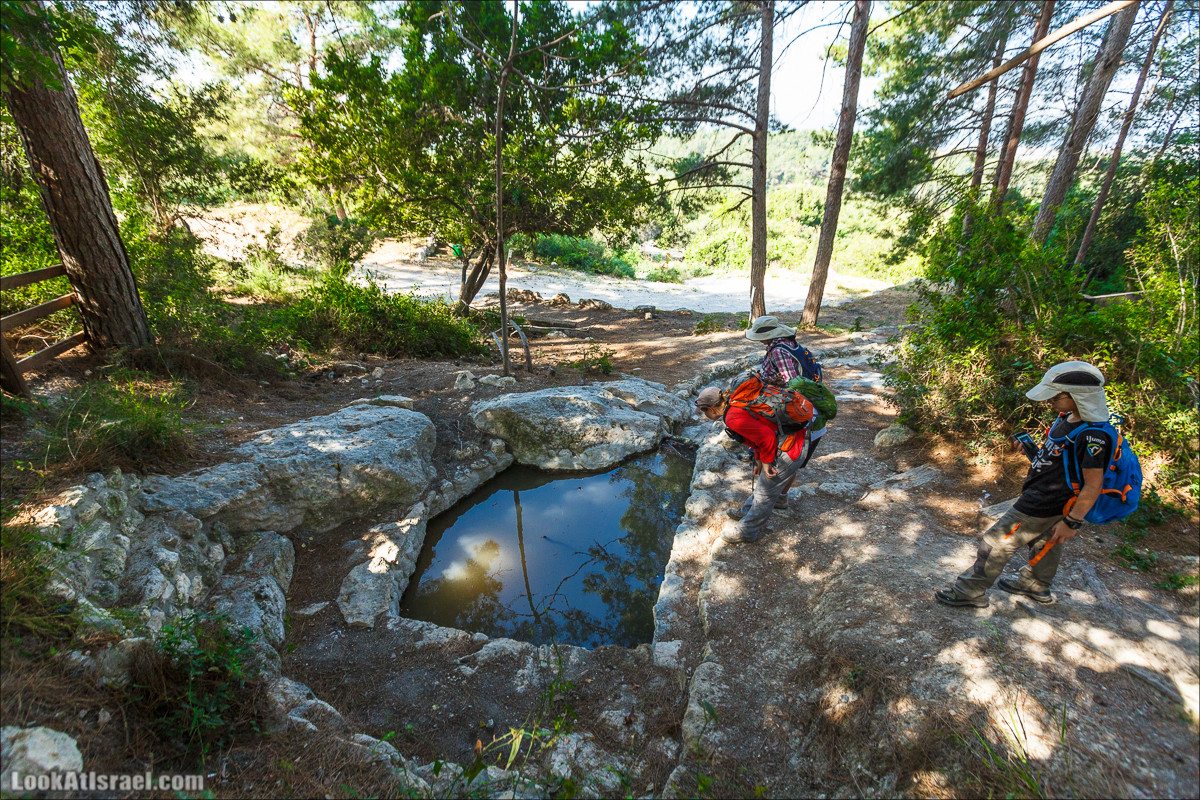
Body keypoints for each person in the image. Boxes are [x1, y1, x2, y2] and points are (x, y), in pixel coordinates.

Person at [935, 361, 1114, 608]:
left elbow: (1093, 484)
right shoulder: (1068, 418)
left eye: (1055, 397)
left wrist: (1073, 522)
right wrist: (1033, 453)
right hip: (1048, 498)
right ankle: (1036, 585)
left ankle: (969, 590)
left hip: (1043, 502)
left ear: (1078, 396)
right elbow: (1060, 462)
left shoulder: (1093, 436)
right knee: (1044, 542)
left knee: (995, 543)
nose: (1049, 402)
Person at [695, 385, 808, 544]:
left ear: (712, 409)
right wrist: (758, 459)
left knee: (764, 493)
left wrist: (767, 461)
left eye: (704, 411)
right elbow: (756, 437)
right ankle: (748, 510)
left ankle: (747, 532)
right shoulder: (734, 405)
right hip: (790, 440)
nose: (705, 415)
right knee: (765, 485)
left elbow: (767, 436)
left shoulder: (732, 417)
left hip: (791, 447)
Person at [745, 315, 827, 509]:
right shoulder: (793, 347)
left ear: (769, 336)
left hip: (795, 412)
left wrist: (766, 385)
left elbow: (792, 384)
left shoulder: (778, 352)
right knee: (792, 461)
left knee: (780, 457)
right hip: (810, 410)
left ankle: (763, 504)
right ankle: (780, 498)